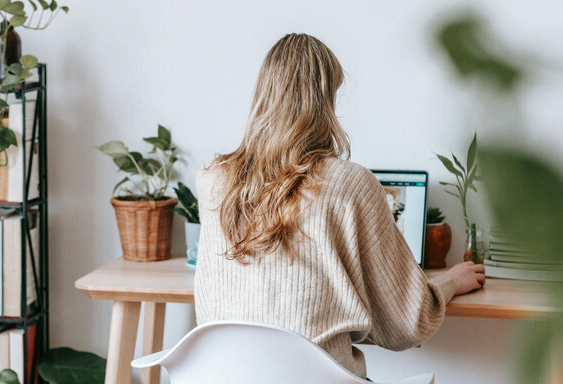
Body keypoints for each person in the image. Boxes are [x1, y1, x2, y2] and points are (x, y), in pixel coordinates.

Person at [194, 33, 485, 379]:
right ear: (325, 100)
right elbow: (407, 323)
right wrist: (449, 283)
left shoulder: (213, 181)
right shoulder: (351, 184)